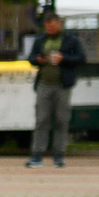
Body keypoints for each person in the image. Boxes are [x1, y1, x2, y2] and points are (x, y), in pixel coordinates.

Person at [24, 11, 84, 169]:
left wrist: (63, 59)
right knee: (41, 119)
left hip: (62, 86)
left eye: (52, 25)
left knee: (61, 120)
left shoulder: (71, 40)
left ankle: (58, 155)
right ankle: (37, 155)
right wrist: (38, 60)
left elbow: (81, 58)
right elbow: (30, 58)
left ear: (59, 23)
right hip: (44, 84)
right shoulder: (40, 40)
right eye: (47, 25)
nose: (49, 28)